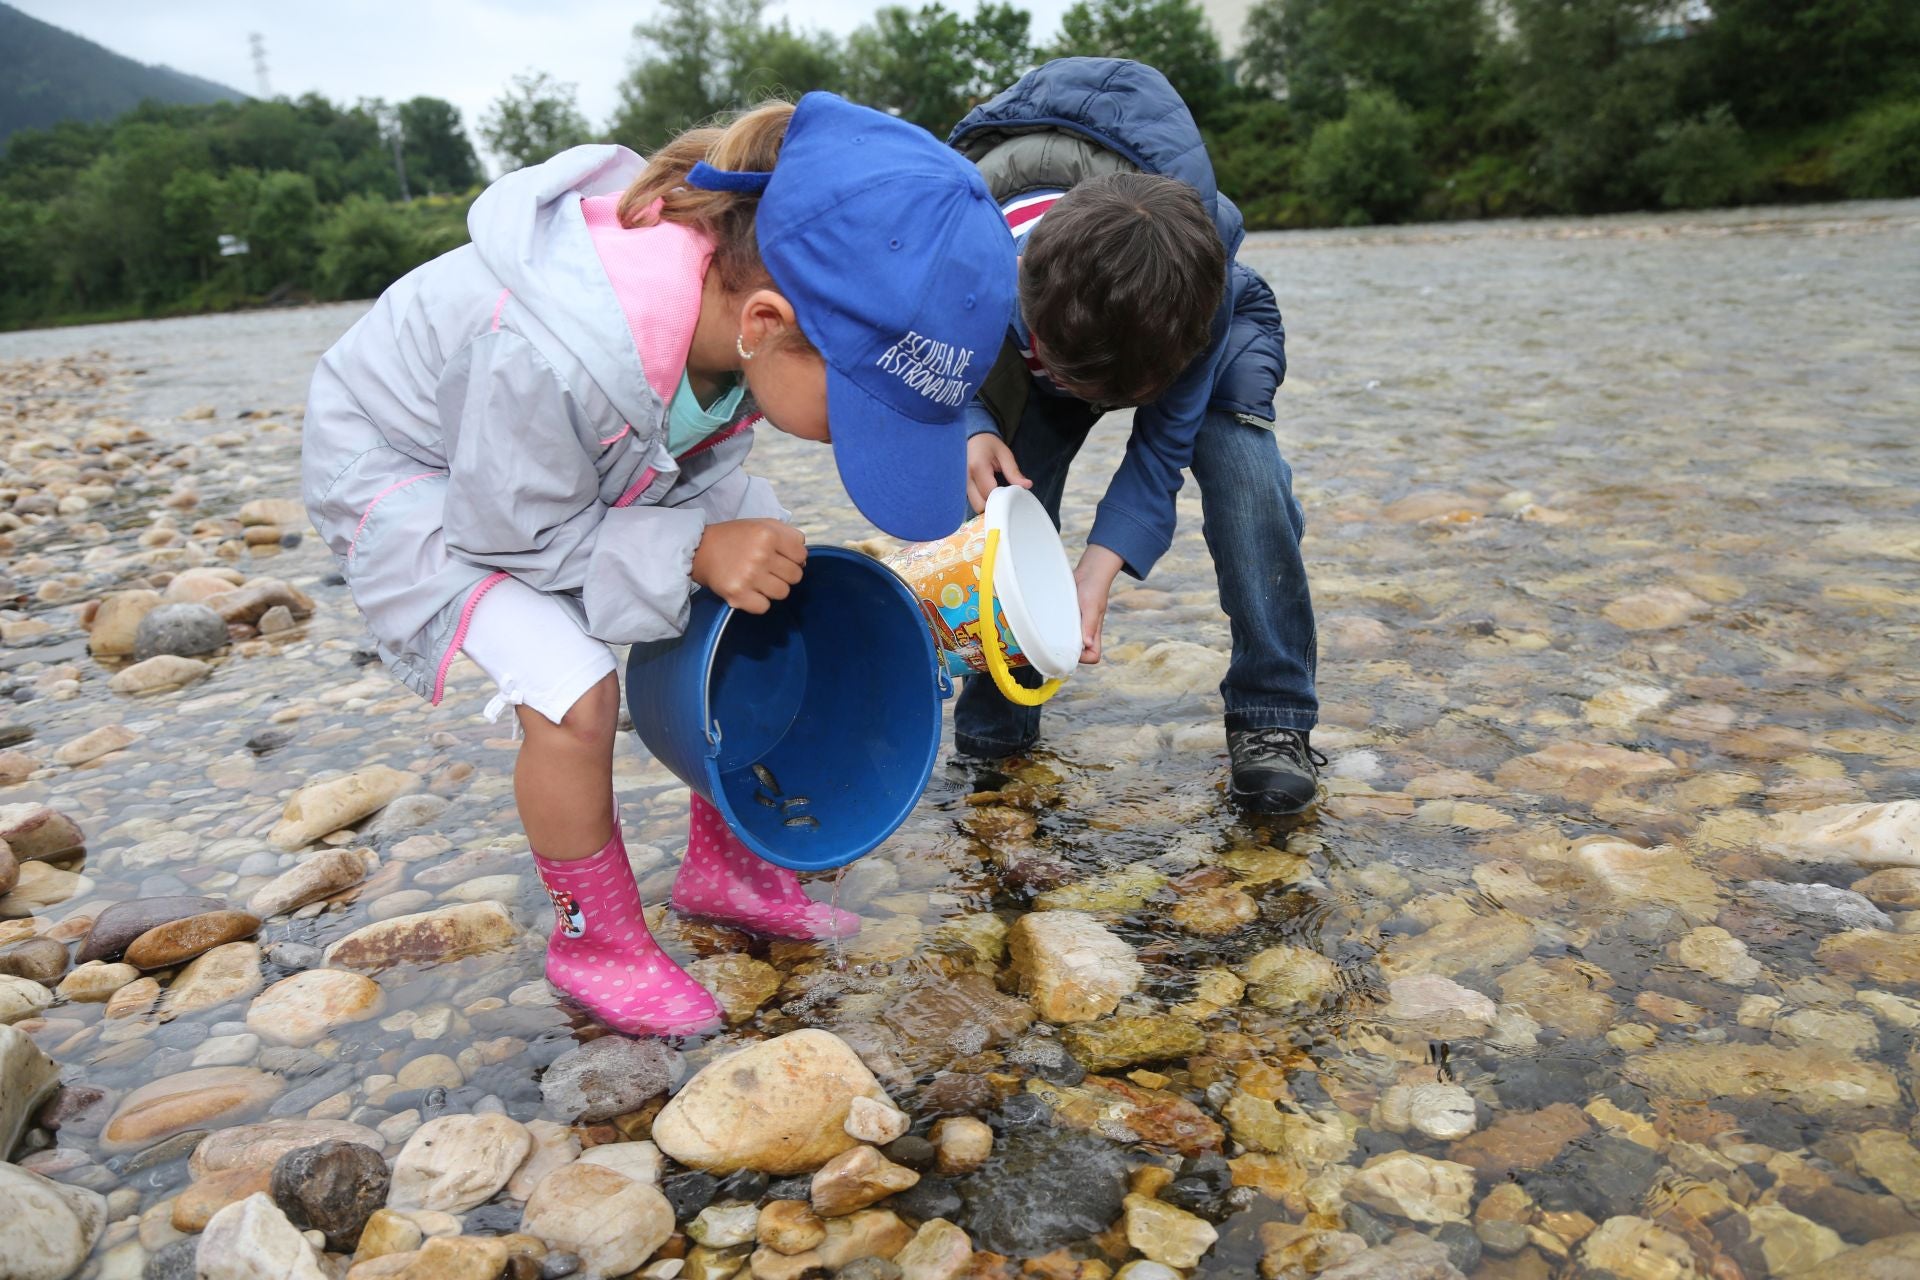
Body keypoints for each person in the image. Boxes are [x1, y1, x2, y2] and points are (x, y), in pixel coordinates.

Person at [302, 94, 1015, 1036]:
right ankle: (591, 940)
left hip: (581, 456)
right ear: (763, 322)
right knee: (574, 691)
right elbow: (513, 535)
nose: (855, 438)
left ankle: (727, 865)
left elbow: (694, 485)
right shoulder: (549, 353)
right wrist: (690, 550)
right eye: (857, 411)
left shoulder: (737, 327)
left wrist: (717, 552)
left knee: (767, 552)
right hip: (422, 480)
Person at [947, 57, 1322, 815]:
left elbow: (1157, 454)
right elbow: (930, 366)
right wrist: (973, 425)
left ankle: (1273, 715)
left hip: (1209, 333)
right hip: (1022, 343)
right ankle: (999, 729)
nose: (1101, 407)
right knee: (1002, 511)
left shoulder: (1195, 293)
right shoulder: (960, 258)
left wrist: (1095, 575)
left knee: (1245, 476)